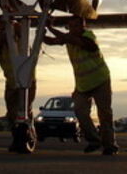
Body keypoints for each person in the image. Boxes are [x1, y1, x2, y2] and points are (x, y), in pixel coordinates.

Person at [44, 16, 119, 156]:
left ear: (83, 27)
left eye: (76, 26)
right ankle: (94, 140)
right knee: (80, 111)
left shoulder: (88, 37)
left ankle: (109, 145)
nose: (73, 29)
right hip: (83, 84)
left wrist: (50, 28)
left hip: (100, 80)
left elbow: (70, 39)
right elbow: (53, 41)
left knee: (105, 113)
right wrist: (41, 35)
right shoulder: (69, 39)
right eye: (71, 26)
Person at [0, 16, 37, 151]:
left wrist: (14, 22)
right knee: (12, 113)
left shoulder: (21, 38)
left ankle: (29, 136)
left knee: (25, 109)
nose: (3, 27)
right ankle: (17, 137)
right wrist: (8, 28)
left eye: (6, 24)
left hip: (27, 79)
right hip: (11, 81)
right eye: (1, 25)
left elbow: (21, 30)